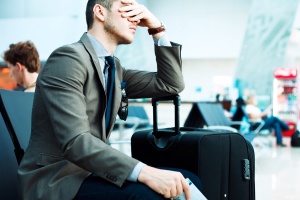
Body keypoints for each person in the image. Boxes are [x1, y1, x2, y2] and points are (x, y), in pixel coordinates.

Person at [18, 0, 202, 200]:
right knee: (150, 195)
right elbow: (76, 142)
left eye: (137, 12)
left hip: (91, 172)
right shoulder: (68, 58)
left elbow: (170, 84)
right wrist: (146, 172)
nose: (136, 18)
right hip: (58, 181)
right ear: (100, 12)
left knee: (188, 181)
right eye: (127, 10)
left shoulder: (114, 69)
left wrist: (156, 28)